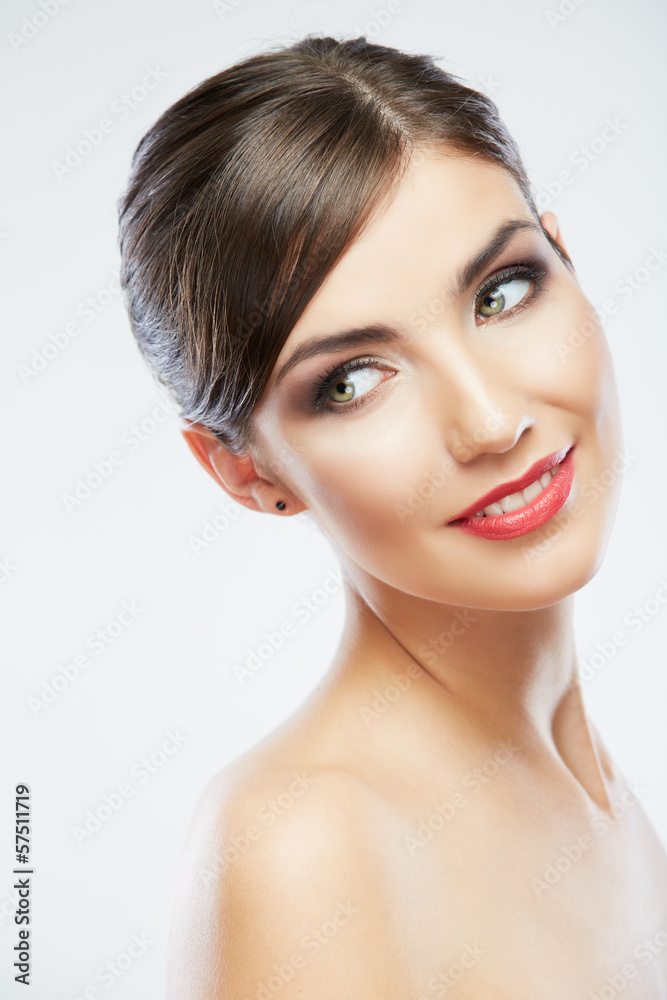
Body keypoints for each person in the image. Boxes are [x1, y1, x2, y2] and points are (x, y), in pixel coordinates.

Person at [117, 34, 667, 999]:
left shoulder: (601, 795)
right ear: (241, 469)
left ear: (565, 257)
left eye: (502, 291)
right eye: (353, 381)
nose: (492, 422)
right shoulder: (305, 847)